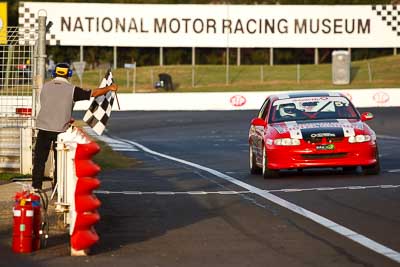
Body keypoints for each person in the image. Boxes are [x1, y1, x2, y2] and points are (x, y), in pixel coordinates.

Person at [32, 62, 118, 190]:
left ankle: (36, 187)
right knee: (59, 160)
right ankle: (58, 187)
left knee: (40, 160)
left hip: (43, 128)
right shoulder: (72, 89)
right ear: (69, 74)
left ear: (54, 73)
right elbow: (93, 93)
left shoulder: (45, 87)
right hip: (60, 130)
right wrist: (109, 88)